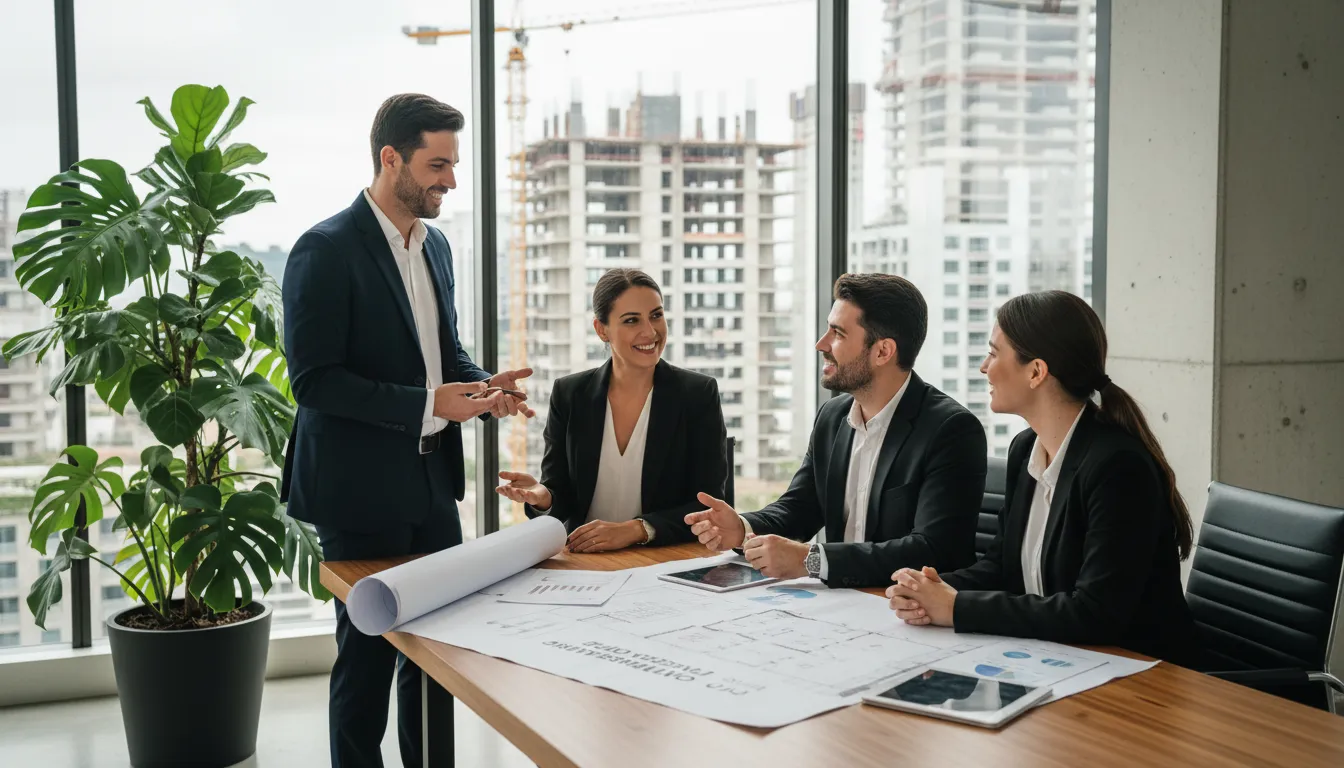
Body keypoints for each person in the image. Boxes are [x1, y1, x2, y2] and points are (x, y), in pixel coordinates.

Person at [281, 93, 534, 768]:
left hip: (430, 484)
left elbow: (443, 353)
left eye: (453, 164)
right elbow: (314, 381)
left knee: (434, 660)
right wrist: (431, 404)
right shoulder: (324, 249)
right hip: (358, 493)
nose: (451, 179)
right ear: (390, 158)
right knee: (365, 666)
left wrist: (484, 391)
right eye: (437, 164)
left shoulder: (437, 246)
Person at [886, 290, 1199, 666]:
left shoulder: (1117, 467)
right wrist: (932, 589)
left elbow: (1094, 613)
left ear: (1036, 371)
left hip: (1138, 676)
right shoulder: (1025, 450)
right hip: (1058, 660)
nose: (984, 367)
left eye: (994, 352)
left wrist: (956, 607)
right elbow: (1002, 566)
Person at [685, 273, 987, 587]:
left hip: (906, 610)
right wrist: (742, 527)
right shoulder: (833, 416)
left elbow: (934, 549)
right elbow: (800, 508)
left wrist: (811, 560)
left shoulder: (951, 430)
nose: (821, 344)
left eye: (838, 333)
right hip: (841, 603)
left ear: (883, 351)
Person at [496, 269, 729, 551]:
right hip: (586, 563)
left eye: (656, 315)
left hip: (664, 560)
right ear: (601, 329)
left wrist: (636, 529)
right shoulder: (570, 394)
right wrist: (544, 497)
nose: (650, 331)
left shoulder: (697, 394)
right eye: (632, 320)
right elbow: (561, 496)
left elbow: (711, 504)